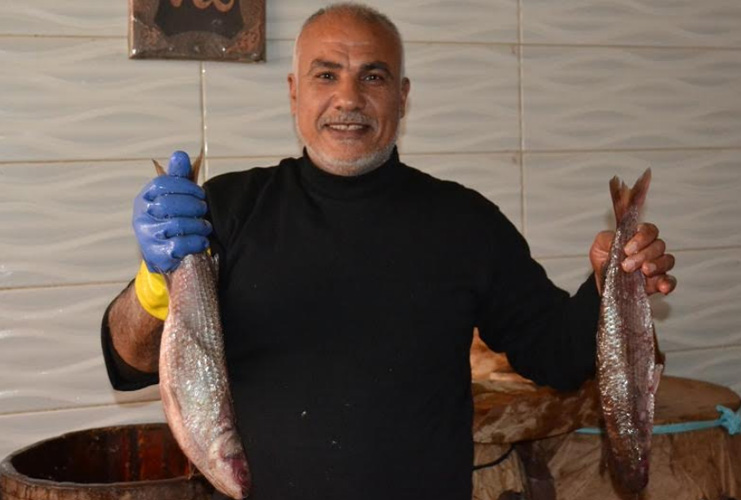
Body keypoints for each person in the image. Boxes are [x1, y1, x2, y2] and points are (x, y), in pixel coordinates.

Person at [101, 3, 676, 499]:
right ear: (295, 91)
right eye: (326, 75)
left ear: (402, 97)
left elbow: (558, 356)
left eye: (372, 77)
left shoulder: (465, 222)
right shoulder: (226, 208)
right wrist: (155, 277)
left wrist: (609, 284)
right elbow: (127, 363)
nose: (348, 98)